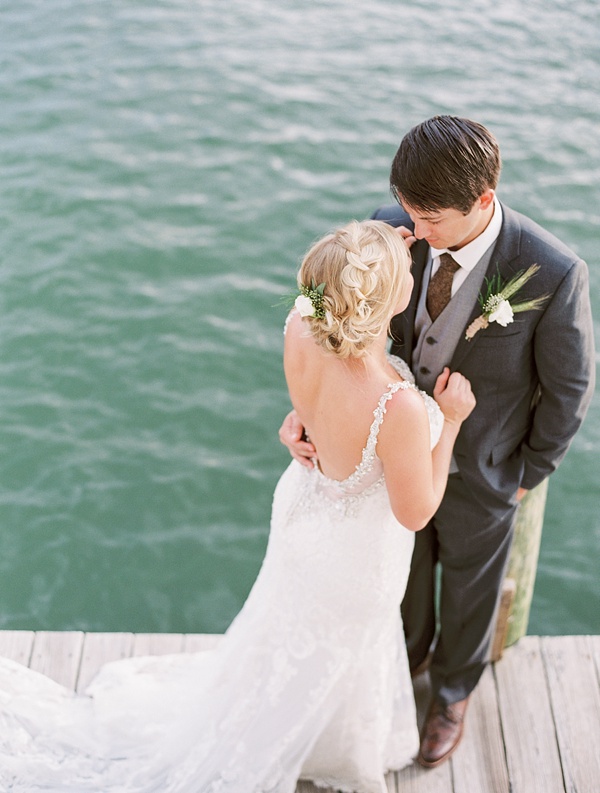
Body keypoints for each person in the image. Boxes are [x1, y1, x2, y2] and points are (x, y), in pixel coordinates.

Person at [0, 220, 475, 792]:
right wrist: (447, 422)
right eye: (403, 274)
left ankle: (297, 734)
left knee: (284, 632)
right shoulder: (395, 404)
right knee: (338, 652)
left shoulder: (301, 325)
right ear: (385, 298)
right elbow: (416, 512)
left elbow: (315, 410)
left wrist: (374, 249)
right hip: (357, 557)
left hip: (305, 513)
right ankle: (330, 749)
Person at [279, 116, 595, 769]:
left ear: (483, 201)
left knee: (473, 588)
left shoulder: (551, 272)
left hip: (485, 467)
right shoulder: (389, 226)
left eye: (430, 218)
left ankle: (452, 693)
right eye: (408, 210)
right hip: (389, 461)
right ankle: (410, 654)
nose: (412, 230)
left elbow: (570, 389)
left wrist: (528, 472)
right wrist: (305, 413)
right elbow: (339, 330)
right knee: (407, 570)